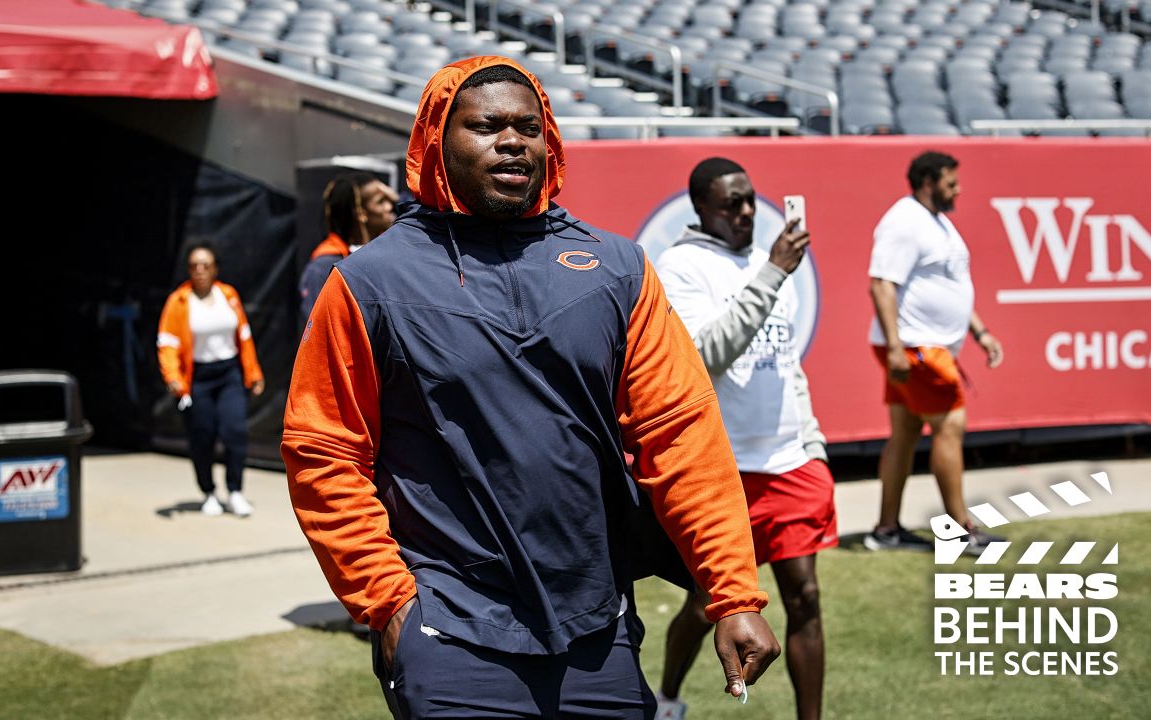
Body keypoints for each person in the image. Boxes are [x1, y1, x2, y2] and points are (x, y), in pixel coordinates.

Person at [283, 57, 781, 719]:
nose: (513, 140)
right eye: (487, 126)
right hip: (449, 633)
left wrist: (733, 594)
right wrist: (390, 604)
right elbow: (323, 452)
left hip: (597, 633)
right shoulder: (370, 281)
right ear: (438, 141)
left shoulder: (615, 268)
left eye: (529, 126)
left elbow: (681, 433)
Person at [653, 158, 835, 720]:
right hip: (723, 467)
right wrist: (774, 273)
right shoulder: (680, 266)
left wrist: (814, 446)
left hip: (789, 459)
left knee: (804, 597)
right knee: (707, 603)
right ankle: (668, 699)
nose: (747, 211)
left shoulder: (765, 262)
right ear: (702, 209)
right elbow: (705, 357)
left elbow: (787, 364)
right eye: (732, 203)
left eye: (751, 199)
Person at [865, 151, 1005, 552]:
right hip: (916, 346)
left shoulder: (936, 222)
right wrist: (896, 347)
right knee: (950, 427)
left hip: (922, 344)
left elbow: (951, 286)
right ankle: (961, 531)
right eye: (950, 182)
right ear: (928, 182)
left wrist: (981, 332)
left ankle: (886, 530)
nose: (958, 189)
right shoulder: (904, 222)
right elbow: (881, 284)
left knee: (905, 434)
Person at [158, 242, 265, 517]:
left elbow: (244, 336)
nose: (200, 270)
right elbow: (167, 343)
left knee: (235, 431)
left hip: (228, 373)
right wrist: (173, 378)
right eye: (195, 265)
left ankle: (236, 491)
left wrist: (253, 373)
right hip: (198, 377)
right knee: (202, 436)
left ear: (215, 268)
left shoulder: (228, 295)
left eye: (206, 265)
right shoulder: (178, 301)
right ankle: (208, 492)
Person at [298, 173, 399, 319]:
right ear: (361, 212)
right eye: (381, 201)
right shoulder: (324, 266)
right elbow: (316, 325)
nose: (390, 207)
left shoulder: (379, 254)